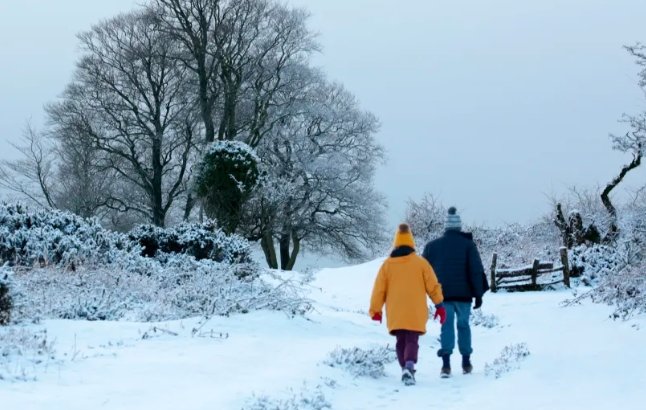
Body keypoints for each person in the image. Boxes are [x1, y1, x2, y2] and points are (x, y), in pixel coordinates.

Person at [369, 223, 446, 386]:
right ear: (412, 243)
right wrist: (439, 304)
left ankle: (404, 367)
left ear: (395, 244)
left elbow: (379, 289)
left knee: (400, 340)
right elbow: (433, 286)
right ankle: (409, 367)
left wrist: (376, 310)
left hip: (396, 311)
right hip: (415, 310)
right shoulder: (421, 263)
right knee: (412, 339)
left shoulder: (387, 265)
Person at [422, 207, 488, 378]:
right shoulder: (468, 245)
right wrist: (478, 294)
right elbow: (475, 270)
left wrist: (425, 293)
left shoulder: (432, 246)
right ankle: (466, 362)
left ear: (445, 227)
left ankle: (446, 366)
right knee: (464, 326)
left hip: (442, 296)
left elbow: (424, 272)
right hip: (464, 296)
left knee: (446, 326)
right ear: (459, 227)